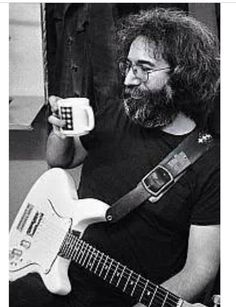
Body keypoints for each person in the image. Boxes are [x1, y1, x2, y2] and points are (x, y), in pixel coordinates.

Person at [10, 8, 220, 307]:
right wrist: (60, 133)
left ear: (183, 75)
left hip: (126, 295)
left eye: (144, 68)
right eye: (128, 66)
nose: (129, 80)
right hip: (61, 270)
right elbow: (61, 161)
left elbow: (200, 270)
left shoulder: (211, 161)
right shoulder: (115, 112)